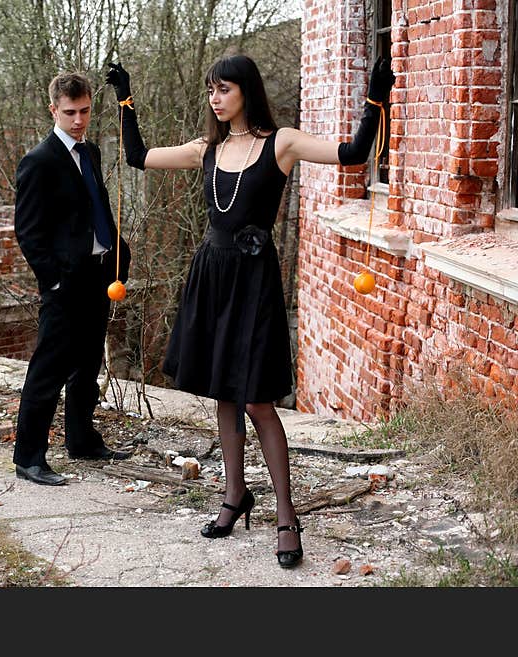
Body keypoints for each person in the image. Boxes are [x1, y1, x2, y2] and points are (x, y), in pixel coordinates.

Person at [106, 55, 394, 567]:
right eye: (210, 90)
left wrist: (375, 97)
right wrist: (125, 99)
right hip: (211, 277)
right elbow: (137, 156)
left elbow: (352, 153)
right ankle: (234, 495)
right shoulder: (207, 150)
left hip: (255, 282)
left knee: (258, 400)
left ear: (246, 91)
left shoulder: (280, 143)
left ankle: (286, 515)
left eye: (224, 89)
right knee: (223, 394)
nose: (215, 98)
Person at [12, 72, 133, 486]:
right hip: (65, 282)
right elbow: (28, 232)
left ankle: (81, 440)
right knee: (48, 368)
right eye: (70, 113)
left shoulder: (92, 151)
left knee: (88, 364)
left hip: (100, 275)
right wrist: (54, 281)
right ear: (53, 110)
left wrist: (118, 252)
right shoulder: (39, 160)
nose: (79, 120)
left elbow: (97, 206)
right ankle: (28, 457)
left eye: (84, 111)